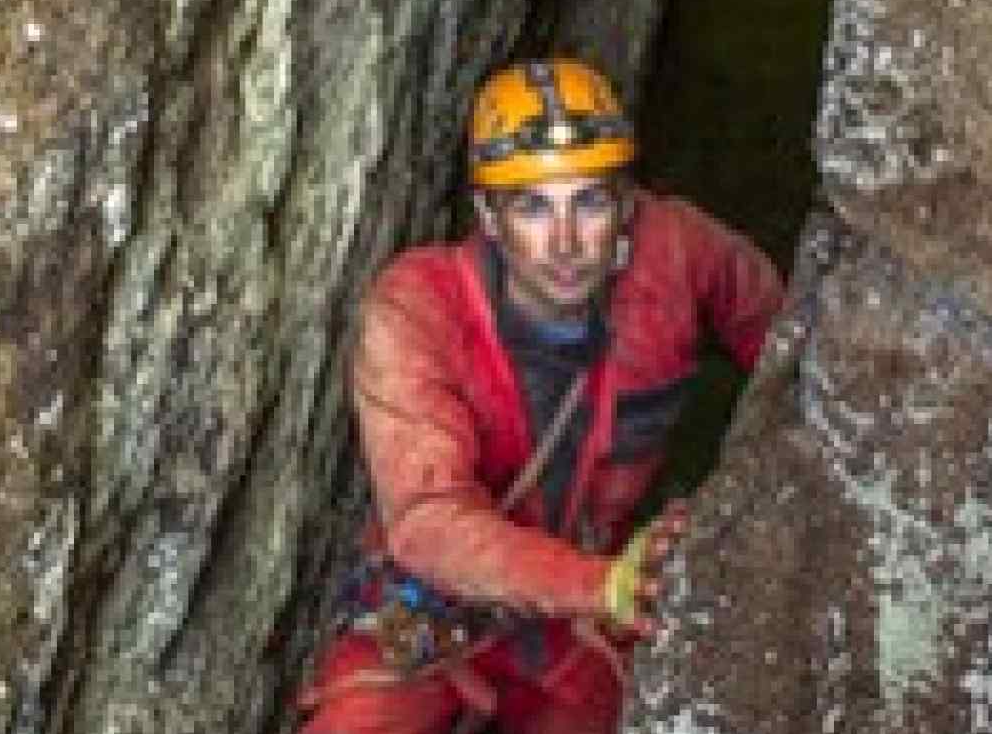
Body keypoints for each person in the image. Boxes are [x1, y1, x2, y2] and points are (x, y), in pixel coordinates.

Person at [298, 56, 785, 734]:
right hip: (442, 611)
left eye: (588, 202)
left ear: (624, 203)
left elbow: (784, 339)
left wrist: (754, 498)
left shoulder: (678, 254)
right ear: (489, 217)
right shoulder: (418, 310)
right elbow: (428, 522)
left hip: (582, 624)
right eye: (532, 206)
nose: (564, 243)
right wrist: (600, 584)